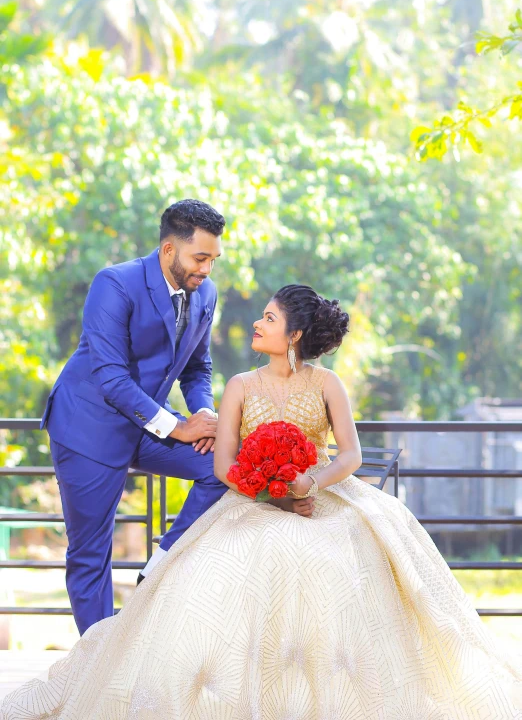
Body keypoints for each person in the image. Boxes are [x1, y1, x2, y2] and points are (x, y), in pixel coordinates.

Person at [3, 284, 522, 719]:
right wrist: (271, 494)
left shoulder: (327, 383)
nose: (257, 322)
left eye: (269, 318)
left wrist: (309, 484)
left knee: (337, 569)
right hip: (252, 500)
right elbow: (224, 465)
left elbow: (351, 455)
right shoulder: (239, 386)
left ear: (293, 335)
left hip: (322, 497)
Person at [40, 199, 230, 635]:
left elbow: (197, 367)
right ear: (168, 251)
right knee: (90, 554)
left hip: (148, 422)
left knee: (223, 466)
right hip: (89, 426)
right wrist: (178, 428)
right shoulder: (114, 283)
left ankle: (163, 561)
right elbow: (110, 377)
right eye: (199, 258)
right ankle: (99, 663)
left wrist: (203, 414)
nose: (207, 270)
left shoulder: (207, 293)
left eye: (213, 260)